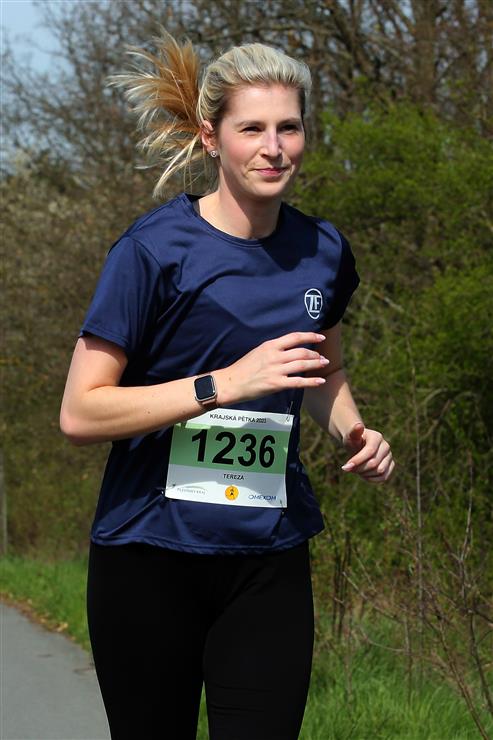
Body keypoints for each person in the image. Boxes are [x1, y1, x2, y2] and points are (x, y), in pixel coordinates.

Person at [60, 29, 394, 740]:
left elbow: (323, 370)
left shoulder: (323, 251)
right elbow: (81, 412)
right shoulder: (152, 251)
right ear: (211, 138)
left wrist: (354, 430)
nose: (273, 148)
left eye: (288, 127)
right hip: (150, 555)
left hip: (268, 555)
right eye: (252, 129)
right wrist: (226, 383)